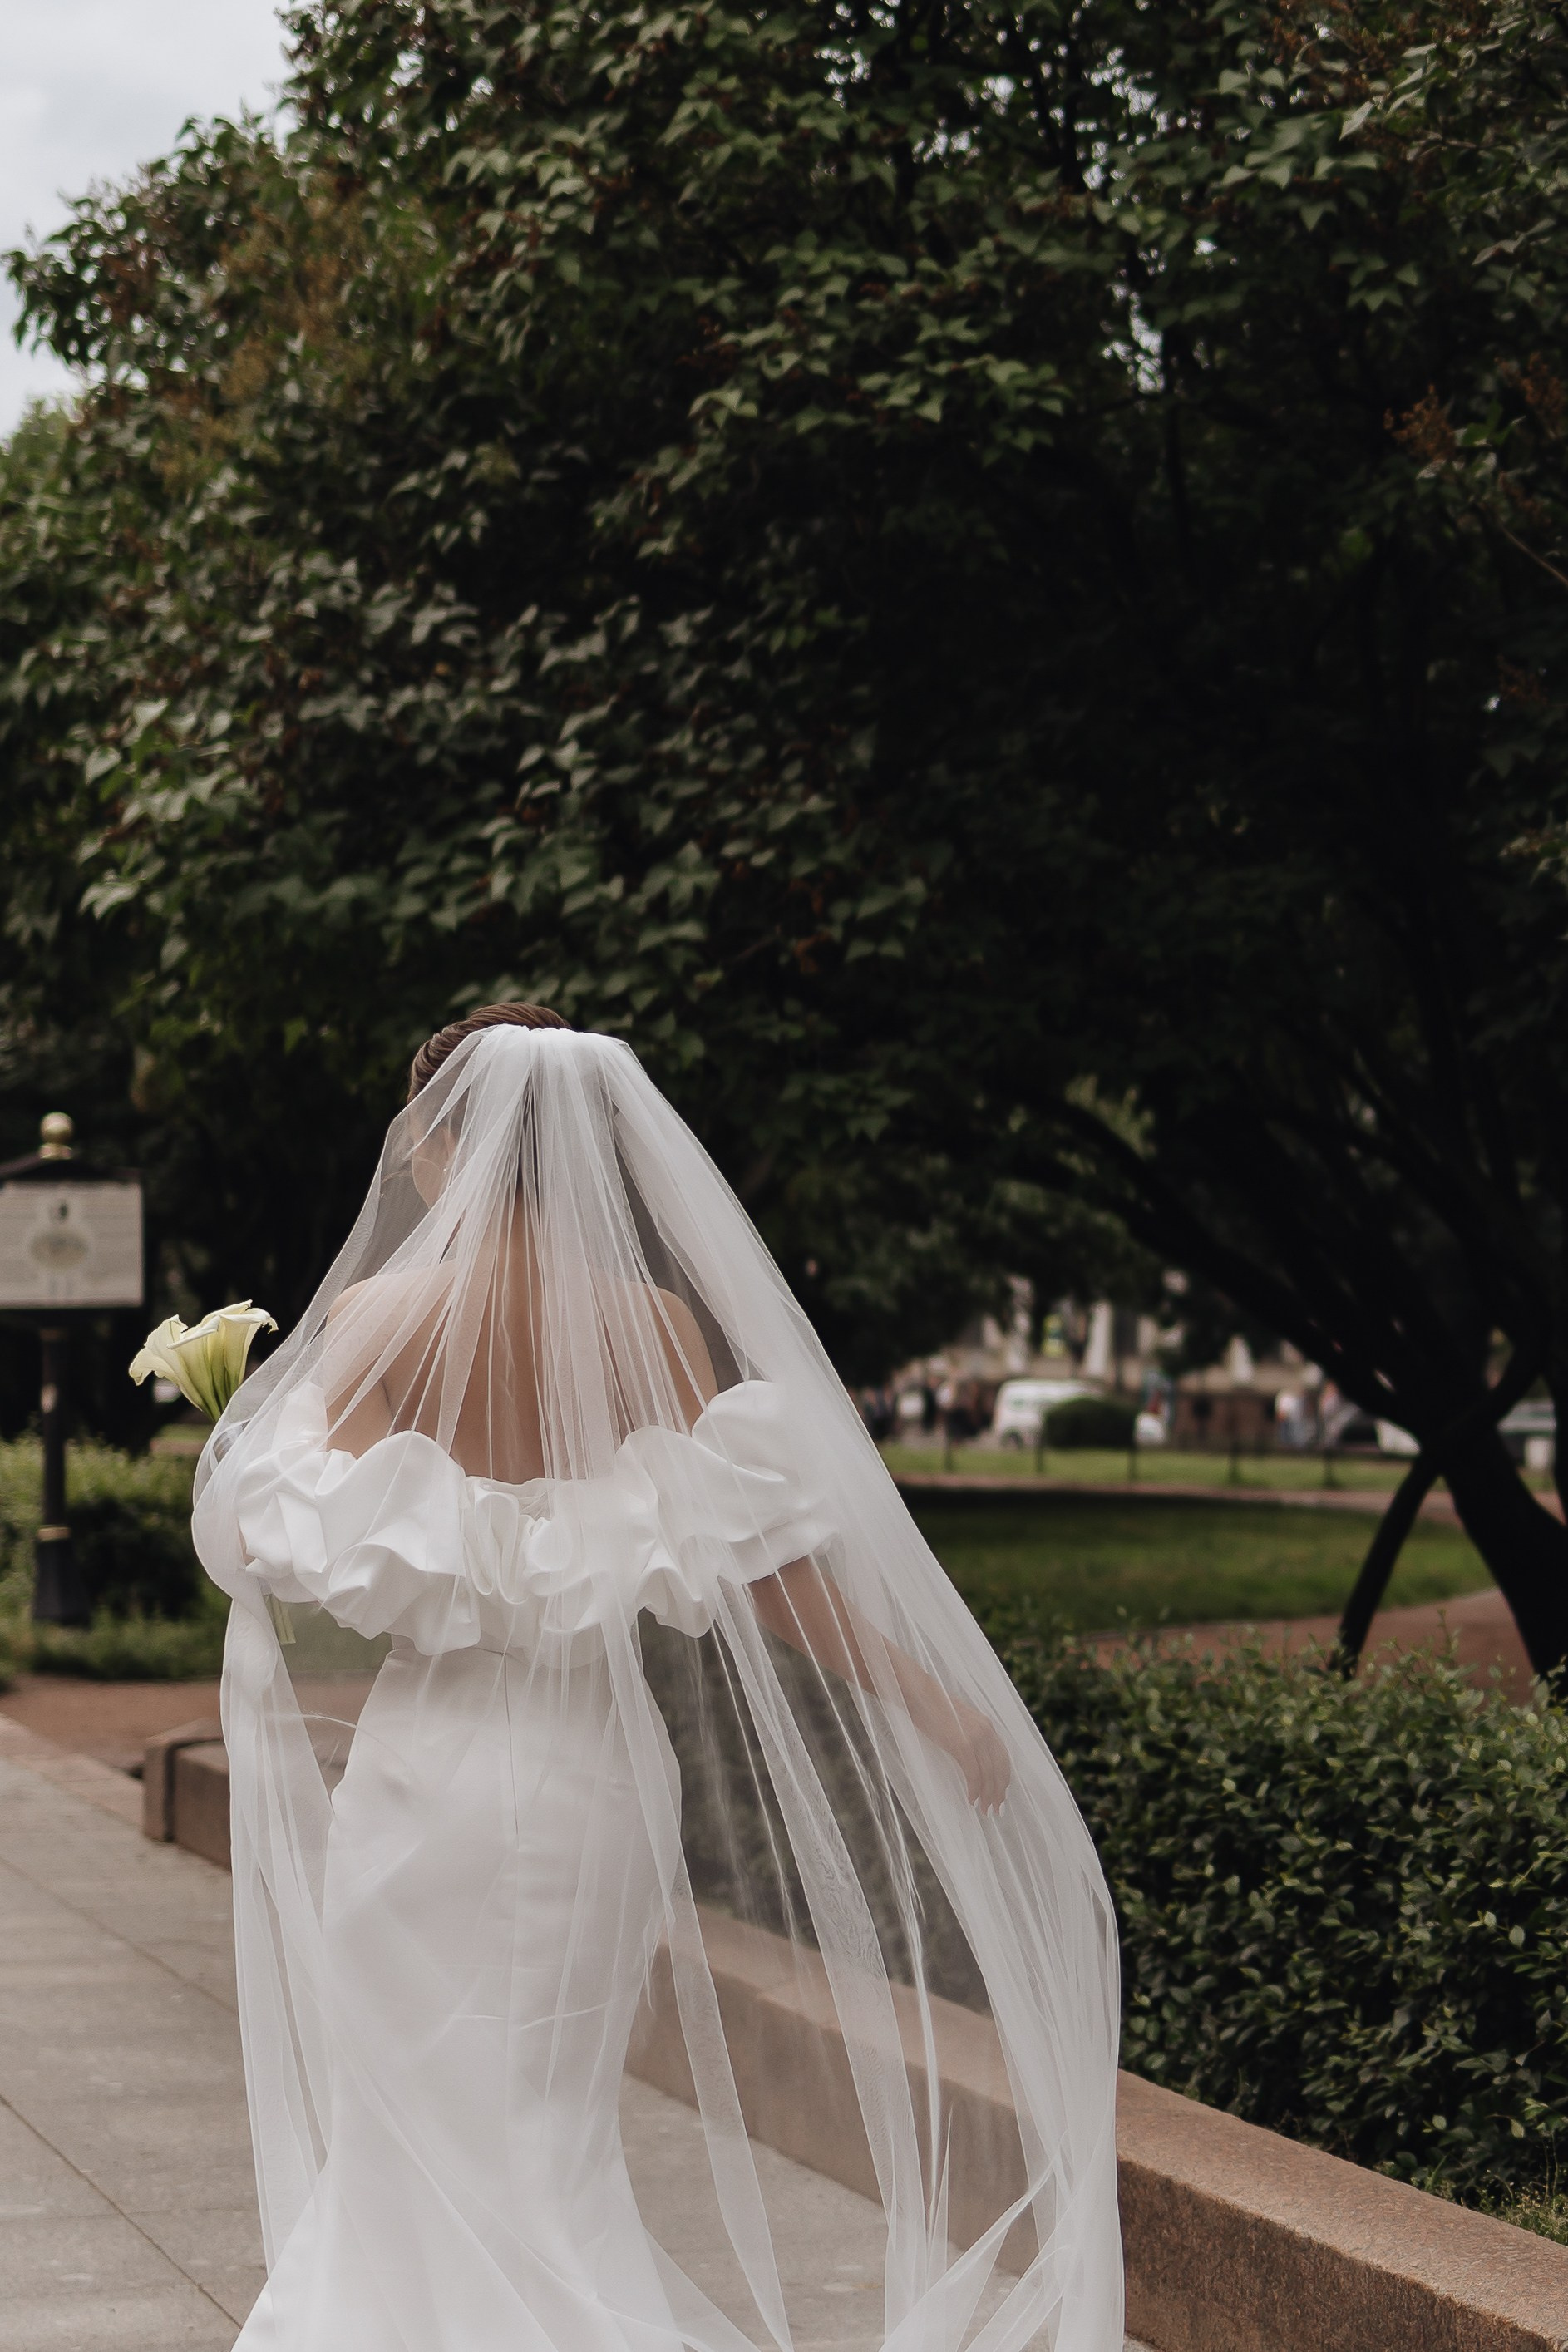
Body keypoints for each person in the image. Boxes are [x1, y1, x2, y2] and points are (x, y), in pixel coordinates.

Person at [193, 1006, 1123, 2352]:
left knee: (405, 2115)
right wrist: (930, 1700)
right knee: (553, 2125)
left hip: (427, 1777)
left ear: (445, 1144)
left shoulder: (374, 1319)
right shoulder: (653, 1326)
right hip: (594, 1774)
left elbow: (325, 1558)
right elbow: (763, 1568)